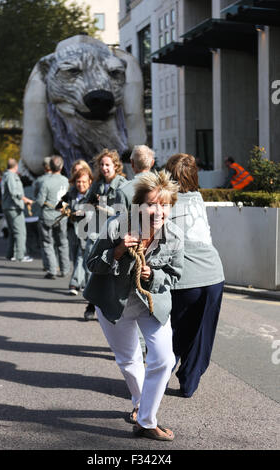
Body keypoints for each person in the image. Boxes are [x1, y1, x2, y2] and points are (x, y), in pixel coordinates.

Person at [84, 170, 183, 441]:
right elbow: (91, 265)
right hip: (114, 304)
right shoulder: (118, 226)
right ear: (139, 205)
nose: (158, 211)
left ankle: (146, 419)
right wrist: (116, 251)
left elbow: (175, 275)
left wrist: (155, 275)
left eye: (164, 205)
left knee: (163, 359)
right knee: (129, 360)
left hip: (151, 303)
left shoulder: (173, 235)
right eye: (152, 203)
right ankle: (142, 410)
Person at [165, 153, 225, 398]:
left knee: (176, 334)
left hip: (184, 277)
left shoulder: (165, 203)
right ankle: (189, 382)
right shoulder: (198, 198)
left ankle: (153, 381)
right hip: (213, 272)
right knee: (202, 333)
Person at [115, 144, 155, 358]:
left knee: (135, 300)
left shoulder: (123, 190)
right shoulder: (164, 186)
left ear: (131, 164)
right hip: (159, 251)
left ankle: (139, 350)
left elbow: (117, 226)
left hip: (135, 252)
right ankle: (155, 346)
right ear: (153, 163)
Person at [82, 148, 127, 320]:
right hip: (97, 231)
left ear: (115, 165)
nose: (104, 168)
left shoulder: (123, 184)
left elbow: (121, 212)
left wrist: (101, 206)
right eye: (101, 164)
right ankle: (91, 304)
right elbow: (88, 203)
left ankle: (111, 305)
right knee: (95, 266)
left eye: (107, 164)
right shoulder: (97, 184)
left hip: (115, 233)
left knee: (112, 270)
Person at [61, 167, 93, 300]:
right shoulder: (72, 193)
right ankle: (84, 283)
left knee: (82, 257)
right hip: (73, 231)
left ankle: (74, 284)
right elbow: (61, 204)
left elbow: (99, 210)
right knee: (76, 257)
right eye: (78, 182)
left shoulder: (93, 194)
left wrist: (85, 212)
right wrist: (65, 209)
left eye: (84, 182)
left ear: (90, 181)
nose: (81, 185)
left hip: (88, 231)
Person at [35, 155, 70, 279]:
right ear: (61, 166)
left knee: (48, 243)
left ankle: (52, 270)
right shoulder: (66, 181)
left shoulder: (45, 182)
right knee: (63, 243)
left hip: (47, 216)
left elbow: (40, 201)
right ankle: (65, 269)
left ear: (50, 166)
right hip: (62, 216)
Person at [1, 158, 33, 262]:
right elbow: (14, 192)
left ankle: (10, 254)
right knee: (20, 232)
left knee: (12, 232)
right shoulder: (11, 176)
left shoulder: (7, 175)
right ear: (16, 166)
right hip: (14, 207)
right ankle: (20, 255)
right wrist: (25, 199)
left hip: (9, 206)